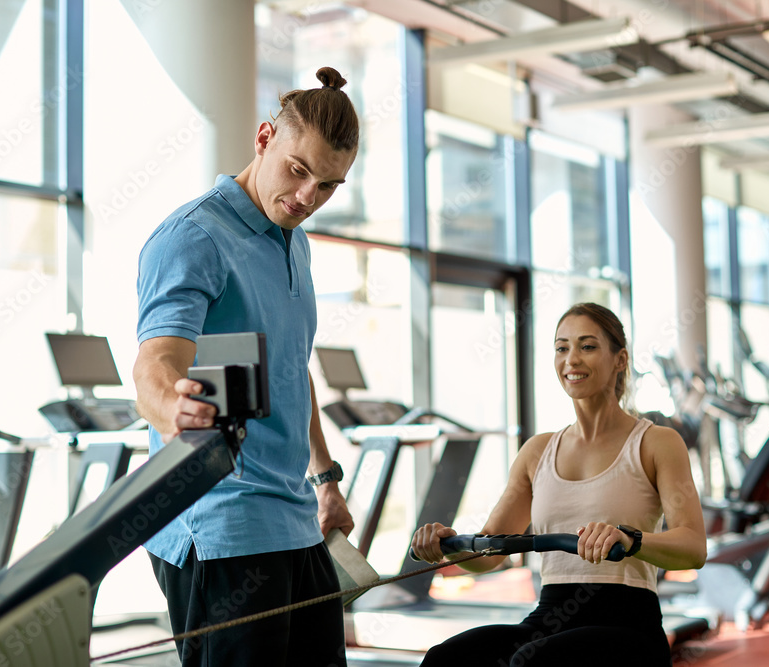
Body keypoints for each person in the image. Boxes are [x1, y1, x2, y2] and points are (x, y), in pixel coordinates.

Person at [132, 66, 358, 667]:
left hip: (295, 523)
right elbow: (157, 357)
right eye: (298, 170)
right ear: (264, 139)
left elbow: (291, 366)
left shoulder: (294, 241)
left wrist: (325, 478)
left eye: (329, 185)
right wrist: (172, 407)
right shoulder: (194, 237)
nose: (308, 197)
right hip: (221, 526)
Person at [411, 302, 707, 666]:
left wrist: (630, 540)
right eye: (561, 347)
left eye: (587, 346)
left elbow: (693, 547)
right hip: (549, 617)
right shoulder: (537, 451)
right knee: (449, 659)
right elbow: (489, 553)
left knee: (535, 662)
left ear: (620, 359)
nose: (572, 360)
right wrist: (446, 547)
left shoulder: (656, 443)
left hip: (629, 623)